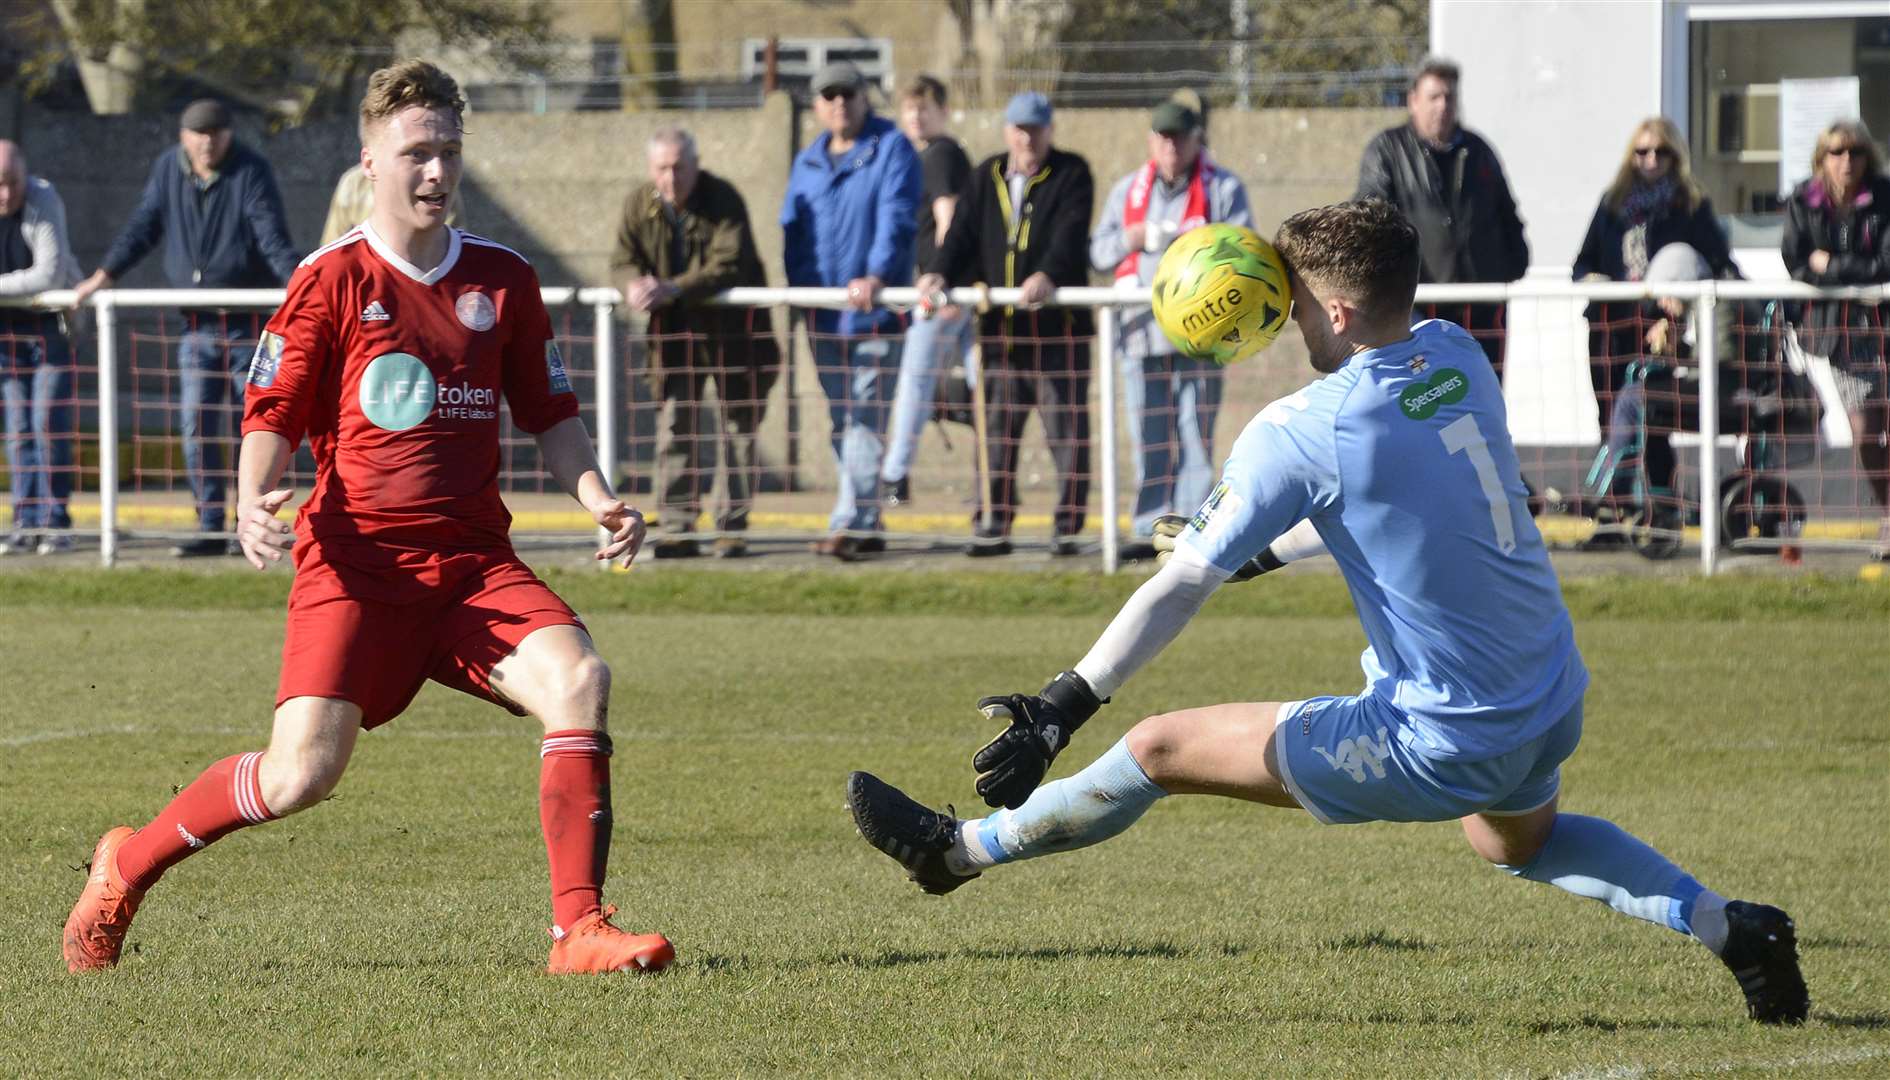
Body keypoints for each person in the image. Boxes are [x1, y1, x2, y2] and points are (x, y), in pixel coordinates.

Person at [847, 200, 1808, 1026]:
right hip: (1551, 693)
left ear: (1337, 311)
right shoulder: (1456, 353)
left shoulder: (1302, 429)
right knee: (1519, 841)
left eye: (1293, 298)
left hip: (1442, 734)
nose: (1282, 312)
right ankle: (1730, 925)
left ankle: (954, 854)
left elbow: (1182, 582)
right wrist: (1261, 546)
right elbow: (1408, 500)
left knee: (1154, 749)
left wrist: (1064, 703)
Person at [63, 59, 674, 977]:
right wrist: (250, 502)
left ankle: (578, 930)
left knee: (580, 679)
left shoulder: (504, 280)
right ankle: (127, 865)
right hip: (357, 567)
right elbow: (269, 412)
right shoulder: (332, 278)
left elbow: (549, 413)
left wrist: (600, 501)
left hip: (472, 566)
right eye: (415, 153)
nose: (435, 172)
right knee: (298, 776)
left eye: (449, 153)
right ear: (371, 161)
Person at [74, 98, 300, 557]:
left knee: (251, 428)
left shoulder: (251, 170)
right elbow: (143, 227)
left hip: (250, 325)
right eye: (198, 133)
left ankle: (247, 524)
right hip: (195, 327)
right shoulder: (166, 170)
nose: (207, 142)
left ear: (229, 135)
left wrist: (301, 290)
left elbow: (271, 235)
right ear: (184, 136)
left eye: (216, 133)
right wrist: (103, 276)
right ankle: (210, 525)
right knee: (195, 425)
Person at [916, 91, 1096, 557]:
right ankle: (993, 522)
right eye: (1019, 128)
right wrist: (939, 269)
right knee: (994, 433)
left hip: (1059, 335)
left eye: (1035, 128)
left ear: (1048, 130)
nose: (1026, 137)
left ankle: (1067, 527)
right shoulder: (986, 174)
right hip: (1000, 336)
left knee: (1066, 432)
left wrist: (1048, 274)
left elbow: (1071, 234)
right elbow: (961, 235)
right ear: (1006, 131)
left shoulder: (1073, 173)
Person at [1090, 100, 1252, 557]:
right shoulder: (1127, 191)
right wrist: (1132, 238)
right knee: (1148, 435)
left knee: (1196, 435)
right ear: (1151, 141)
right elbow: (1099, 253)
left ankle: (1193, 532)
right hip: (1140, 334)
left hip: (1203, 336)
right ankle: (1148, 530)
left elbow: (1244, 247)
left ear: (1196, 139)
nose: (1171, 146)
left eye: (1179, 137)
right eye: (1162, 137)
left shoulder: (1223, 188)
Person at [612, 126, 778, 560]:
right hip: (672, 338)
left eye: (679, 167)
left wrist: (673, 288)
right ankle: (677, 526)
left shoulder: (723, 198)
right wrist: (632, 285)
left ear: (695, 165)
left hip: (734, 334)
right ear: (651, 170)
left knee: (738, 429)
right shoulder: (638, 204)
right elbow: (622, 258)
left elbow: (729, 263)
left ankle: (731, 527)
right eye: (663, 168)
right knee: (674, 427)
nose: (671, 177)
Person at [780, 61, 922, 560]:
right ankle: (868, 517)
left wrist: (877, 276)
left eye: (848, 94)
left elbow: (897, 217)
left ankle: (850, 522)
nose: (839, 103)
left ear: (865, 98)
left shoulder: (891, 149)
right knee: (843, 420)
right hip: (823, 316)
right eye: (829, 95)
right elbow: (793, 232)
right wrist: (800, 294)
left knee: (863, 416)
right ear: (817, 105)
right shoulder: (808, 162)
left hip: (875, 313)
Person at [1573, 117, 1738, 516]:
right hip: (1610, 327)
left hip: (1660, 330)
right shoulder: (1613, 203)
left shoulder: (1690, 205)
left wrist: (1681, 302)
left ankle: (1661, 508)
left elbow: (1716, 263)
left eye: (1660, 152)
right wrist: (1599, 282)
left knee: (1655, 418)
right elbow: (1582, 263)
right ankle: (1615, 508)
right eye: (1642, 151)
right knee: (1609, 414)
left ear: (1674, 157)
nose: (1651, 160)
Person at [1355, 57, 1528, 378]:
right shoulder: (1388, 151)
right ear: (1414, 101)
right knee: (1425, 398)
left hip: (1482, 308)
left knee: (1479, 396)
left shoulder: (1479, 151)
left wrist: (1513, 264)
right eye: (1434, 97)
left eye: (1449, 97)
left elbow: (1507, 214)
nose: (1443, 106)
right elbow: (1371, 219)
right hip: (1418, 308)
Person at [1781, 119, 1890, 560]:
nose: (1847, 162)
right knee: (1865, 431)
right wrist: (1843, 270)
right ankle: (1888, 514)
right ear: (1822, 158)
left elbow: (1886, 262)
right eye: (1838, 152)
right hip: (1840, 331)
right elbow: (1795, 260)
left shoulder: (1883, 196)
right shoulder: (1803, 201)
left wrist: (1834, 266)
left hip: (1883, 321)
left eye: (1856, 152)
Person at [880, 74, 974, 509]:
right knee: (973, 383)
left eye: (925, 107)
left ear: (943, 112)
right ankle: (989, 480)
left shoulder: (940, 155)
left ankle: (894, 476)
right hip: (953, 289)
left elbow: (948, 217)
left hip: (944, 294)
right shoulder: (934, 155)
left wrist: (941, 281)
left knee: (915, 383)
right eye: (910, 108)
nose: (916, 115)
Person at [0, 140, 81, 555]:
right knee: (17, 431)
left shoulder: (44, 198)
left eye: (12, 183)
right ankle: (24, 521)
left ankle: (55, 521)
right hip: (6, 337)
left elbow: (48, 275)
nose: (6, 195)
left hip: (50, 329)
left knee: (47, 423)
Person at [320, 161, 459, 246]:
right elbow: (333, 244)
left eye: (449, 153)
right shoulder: (354, 183)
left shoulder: (440, 189)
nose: (437, 172)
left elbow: (451, 247)